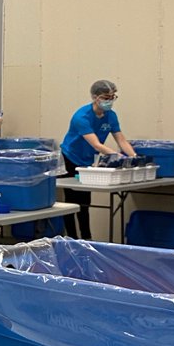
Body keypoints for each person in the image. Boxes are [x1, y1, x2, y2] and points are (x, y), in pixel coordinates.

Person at [58, 80, 136, 240]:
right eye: (106, 97)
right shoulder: (82, 117)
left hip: (86, 161)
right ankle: (71, 238)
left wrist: (134, 158)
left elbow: (121, 140)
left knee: (84, 203)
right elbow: (96, 144)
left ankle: (87, 239)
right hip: (70, 158)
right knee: (71, 203)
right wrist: (117, 157)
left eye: (113, 97)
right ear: (95, 97)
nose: (109, 101)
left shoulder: (111, 116)